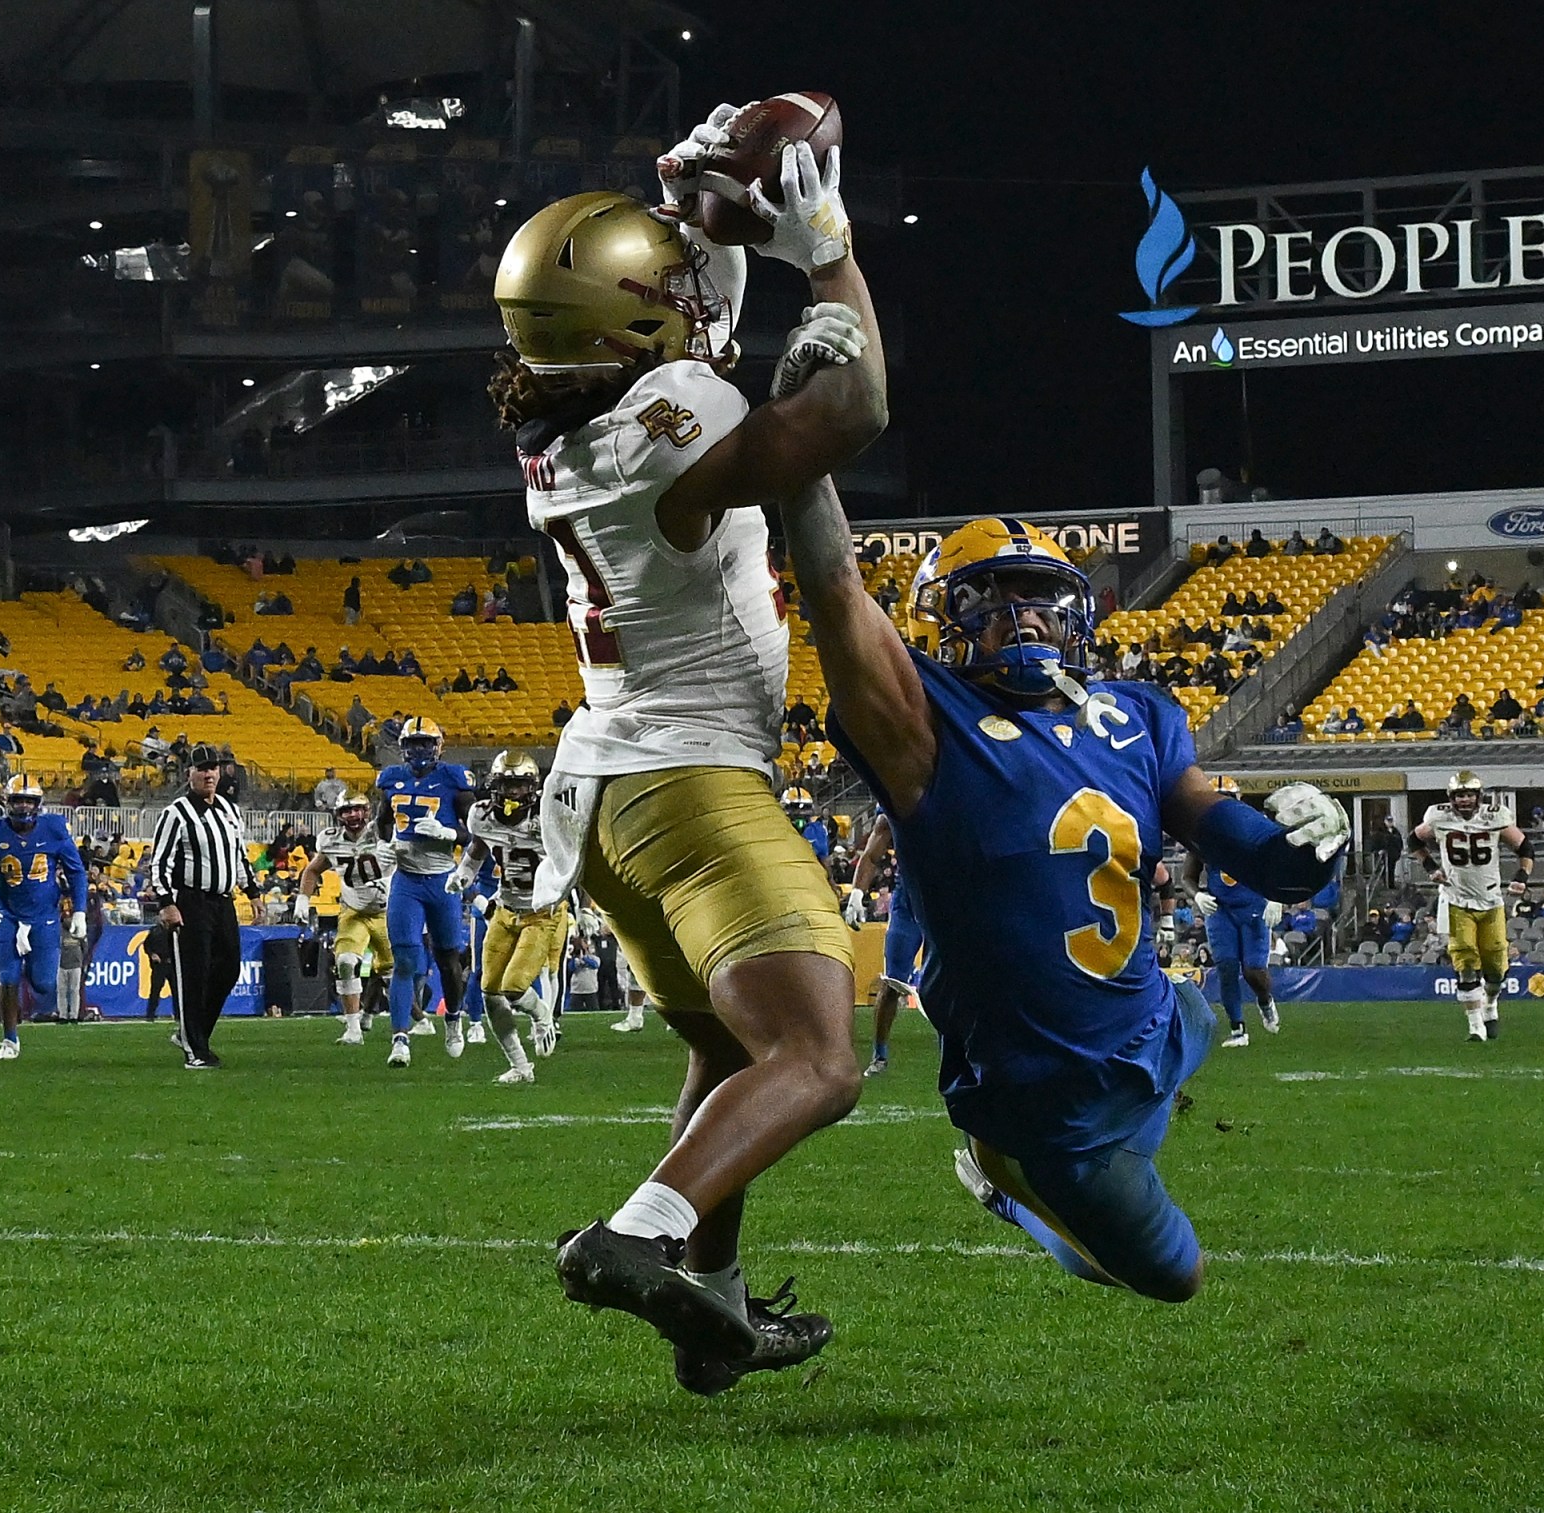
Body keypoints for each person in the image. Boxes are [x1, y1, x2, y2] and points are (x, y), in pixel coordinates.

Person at [496, 106, 881, 1396]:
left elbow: (682, 309)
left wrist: (689, 190)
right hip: (692, 782)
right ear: (632, 322)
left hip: (607, 796)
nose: (681, 289)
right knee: (823, 1056)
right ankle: (636, 1239)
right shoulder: (667, 418)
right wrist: (824, 251)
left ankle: (712, 1301)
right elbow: (849, 415)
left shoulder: (564, 413)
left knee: (727, 1050)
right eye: (656, 285)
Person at [778, 504, 1346, 1306]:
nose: (1026, 614)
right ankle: (1005, 1182)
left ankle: (1079, 1152)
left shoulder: (1138, 715)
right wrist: (808, 457)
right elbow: (835, 586)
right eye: (991, 598)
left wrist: (1315, 843)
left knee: (1202, 1013)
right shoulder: (927, 723)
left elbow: (1261, 859)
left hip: (1156, 1026)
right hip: (1052, 1098)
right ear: (941, 623)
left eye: (1041, 595)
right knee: (1175, 1276)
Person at [452, 750, 566, 1081]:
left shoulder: (548, 816)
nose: (512, 792)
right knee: (489, 990)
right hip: (505, 907)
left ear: (531, 786)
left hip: (541, 911)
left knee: (514, 987)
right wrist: (463, 875)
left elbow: (573, 860)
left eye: (518, 785)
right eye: (506, 784)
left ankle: (543, 1014)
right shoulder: (483, 816)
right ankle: (520, 1065)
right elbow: (478, 848)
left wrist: (581, 902)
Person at [146, 745, 257, 1068]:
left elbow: (238, 856)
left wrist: (252, 891)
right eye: (202, 769)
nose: (209, 774)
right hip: (191, 900)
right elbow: (160, 862)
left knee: (229, 970)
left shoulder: (229, 809)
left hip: (223, 900)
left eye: (213, 768)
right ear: (189, 774)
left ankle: (193, 1033)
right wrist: (166, 903)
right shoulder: (176, 813)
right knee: (193, 975)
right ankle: (195, 1049)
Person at [376, 718, 478, 1065]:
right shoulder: (391, 779)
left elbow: (478, 833)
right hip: (406, 879)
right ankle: (400, 1039)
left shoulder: (454, 779)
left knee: (448, 960)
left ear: (438, 746)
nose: (419, 750)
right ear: (403, 746)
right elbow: (383, 823)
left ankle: (453, 1020)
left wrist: (450, 834)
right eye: (413, 743)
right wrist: (385, 846)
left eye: (425, 743)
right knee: (404, 960)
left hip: (442, 880)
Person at [0, 774, 91, 1060]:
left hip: (44, 915)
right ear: (6, 802)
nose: (24, 806)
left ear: (39, 804)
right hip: (7, 912)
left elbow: (76, 871)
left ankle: (25, 968)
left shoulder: (55, 828)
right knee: (8, 977)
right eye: (18, 800)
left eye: (29, 801)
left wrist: (80, 909)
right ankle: (10, 1040)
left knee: (44, 984)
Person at [1410, 771, 1536, 1042]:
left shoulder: (1496, 816)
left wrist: (1522, 877)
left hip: (1490, 900)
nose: (1464, 800)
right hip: (1456, 899)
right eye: (1459, 795)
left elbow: (1525, 848)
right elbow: (1414, 840)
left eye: (1468, 795)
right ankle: (1475, 1025)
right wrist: (1431, 867)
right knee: (1465, 957)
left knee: (1495, 963)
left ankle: (1490, 1003)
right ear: (1451, 798)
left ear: (1479, 796)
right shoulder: (1438, 816)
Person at [1183, 780, 1282, 1048]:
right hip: (1220, 909)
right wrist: (1198, 895)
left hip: (1252, 906)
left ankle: (1265, 1000)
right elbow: (1187, 877)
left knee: (1253, 970)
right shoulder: (1202, 835)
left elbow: (1276, 866)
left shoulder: (1255, 831)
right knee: (1226, 967)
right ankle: (1238, 1029)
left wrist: (1275, 898)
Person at [298, 788, 395, 1048]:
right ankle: (353, 1028)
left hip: (387, 911)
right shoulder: (331, 840)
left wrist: (391, 881)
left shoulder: (383, 833)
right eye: (346, 810)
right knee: (345, 961)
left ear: (368, 811)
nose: (353, 815)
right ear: (337, 815)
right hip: (354, 911)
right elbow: (313, 870)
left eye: (357, 809)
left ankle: (403, 1028)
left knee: (393, 972)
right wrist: (303, 898)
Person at [842, 808, 919, 1077]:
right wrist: (857, 893)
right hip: (909, 901)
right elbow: (873, 853)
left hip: (950, 898)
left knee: (955, 982)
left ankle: (961, 1051)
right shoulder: (893, 807)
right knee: (892, 982)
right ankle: (880, 1054)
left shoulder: (955, 797)